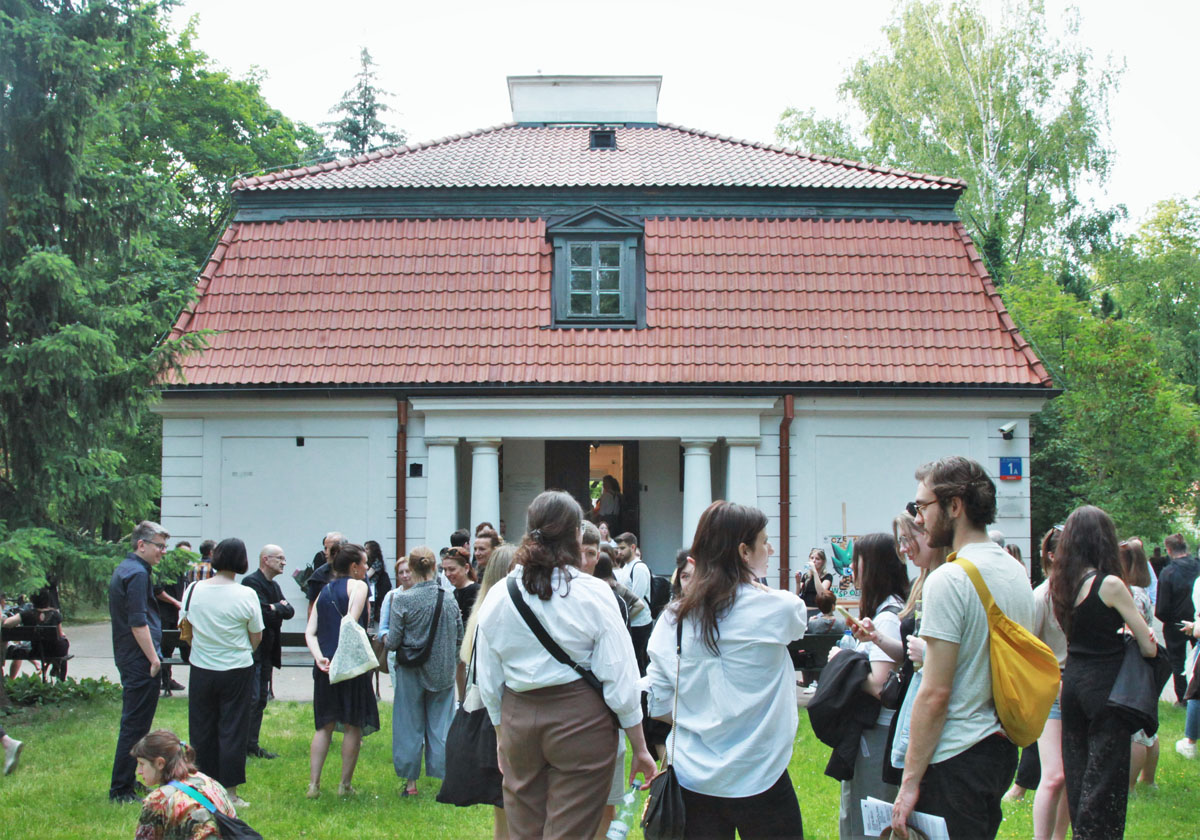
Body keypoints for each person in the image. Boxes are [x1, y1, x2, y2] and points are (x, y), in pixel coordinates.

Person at [476, 490, 656, 840]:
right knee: (570, 832)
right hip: (581, 723)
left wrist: (501, 733)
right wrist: (640, 746)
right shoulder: (593, 593)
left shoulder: (499, 594)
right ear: (576, 535)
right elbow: (619, 677)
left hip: (519, 720)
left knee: (523, 830)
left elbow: (488, 676)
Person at [890, 456, 1034, 840]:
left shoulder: (950, 579)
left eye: (923, 507)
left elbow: (935, 693)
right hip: (999, 750)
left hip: (954, 756)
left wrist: (908, 783)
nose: (918, 518)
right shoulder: (1014, 570)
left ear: (955, 506)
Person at [643, 500, 806, 839]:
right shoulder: (780, 609)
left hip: (692, 775)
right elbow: (795, 624)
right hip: (762, 772)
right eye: (764, 541)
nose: (771, 548)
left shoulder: (672, 621)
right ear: (744, 551)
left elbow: (658, 705)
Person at [1050, 506, 1156, 840]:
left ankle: (1081, 831)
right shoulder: (1108, 584)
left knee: (1079, 772)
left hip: (1073, 683)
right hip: (1106, 687)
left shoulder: (1060, 584)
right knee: (1106, 778)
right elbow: (1149, 646)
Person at [831, 533, 908, 840]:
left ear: (873, 566)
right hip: (875, 731)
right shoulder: (888, 610)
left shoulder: (888, 618)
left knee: (868, 817)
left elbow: (879, 685)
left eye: (856, 561)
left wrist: (841, 661)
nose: (851, 568)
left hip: (879, 733)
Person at [179, 538, 263, 807]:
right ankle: (230, 793)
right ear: (242, 561)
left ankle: (203, 788)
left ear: (215, 557)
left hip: (202, 668)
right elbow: (256, 636)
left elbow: (186, 627)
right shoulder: (246, 594)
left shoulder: (193, 589)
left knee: (201, 729)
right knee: (233, 729)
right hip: (237, 668)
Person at [386, 545, 464, 797]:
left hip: (411, 670)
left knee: (409, 724)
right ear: (433, 567)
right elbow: (460, 636)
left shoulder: (403, 599)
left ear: (413, 567)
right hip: (442, 670)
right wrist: (450, 660)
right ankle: (445, 782)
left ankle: (410, 785)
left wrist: (384, 638)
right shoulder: (448, 598)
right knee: (441, 726)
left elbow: (394, 641)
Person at [305, 542, 380, 798]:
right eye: (365, 563)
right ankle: (344, 785)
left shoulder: (324, 591)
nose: (368, 568)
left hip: (324, 666)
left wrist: (319, 658)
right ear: (354, 567)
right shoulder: (359, 585)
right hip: (350, 666)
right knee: (352, 725)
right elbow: (351, 621)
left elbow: (310, 631)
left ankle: (313, 785)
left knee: (323, 726)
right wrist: (341, 657)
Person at [458, 543, 517, 840]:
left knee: (503, 809)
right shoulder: (497, 612)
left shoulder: (481, 609)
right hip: (500, 715)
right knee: (512, 803)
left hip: (487, 716)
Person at [109, 521, 169, 803]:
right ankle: (120, 789)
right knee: (135, 725)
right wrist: (153, 658)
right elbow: (137, 622)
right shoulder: (137, 574)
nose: (163, 551)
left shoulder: (129, 568)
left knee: (136, 724)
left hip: (130, 656)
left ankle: (127, 782)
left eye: (164, 546)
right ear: (141, 545)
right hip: (138, 659)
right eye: (159, 546)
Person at [1031, 527, 1070, 840]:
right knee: (1055, 775)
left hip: (1080, 690)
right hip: (1053, 691)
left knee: (1070, 774)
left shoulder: (1085, 593)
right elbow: (1026, 651)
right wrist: (1051, 682)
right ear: (1052, 555)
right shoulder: (1041, 597)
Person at [240, 544, 295, 760]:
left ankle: (252, 745)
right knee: (252, 698)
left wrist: (276, 607)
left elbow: (289, 611)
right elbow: (261, 614)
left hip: (268, 652)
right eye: (280, 558)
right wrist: (276, 608)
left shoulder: (273, 586)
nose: (284, 562)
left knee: (261, 698)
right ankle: (241, 745)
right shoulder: (251, 583)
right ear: (265, 559)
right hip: (254, 651)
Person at [132, 729, 237, 840]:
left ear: (160, 763)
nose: (138, 771)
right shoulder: (208, 781)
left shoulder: (158, 799)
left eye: (141, 764)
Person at [1120, 538, 1159, 792]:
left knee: (1134, 730)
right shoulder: (1143, 592)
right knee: (1148, 726)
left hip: (1130, 663)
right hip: (1145, 663)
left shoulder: (1130, 594)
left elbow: (1128, 630)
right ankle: (1149, 779)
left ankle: (1130, 786)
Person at [1154, 533, 1197, 705]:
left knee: (1177, 662)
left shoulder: (1168, 572)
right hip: (1197, 620)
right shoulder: (1198, 566)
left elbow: (1162, 606)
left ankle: (1183, 698)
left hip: (1175, 623)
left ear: (1169, 550)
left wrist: (1166, 619)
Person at [614, 532, 653, 673]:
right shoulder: (626, 567)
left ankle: (642, 694)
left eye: (623, 548)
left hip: (640, 624)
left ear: (633, 547)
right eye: (618, 549)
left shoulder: (639, 568)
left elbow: (638, 601)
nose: (619, 552)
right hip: (631, 622)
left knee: (639, 663)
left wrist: (624, 619)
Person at [155, 542, 189, 695]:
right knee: (165, 649)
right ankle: (165, 680)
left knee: (184, 646)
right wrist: (175, 602)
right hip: (166, 615)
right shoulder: (166, 571)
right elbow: (158, 590)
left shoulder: (184, 573)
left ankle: (168, 680)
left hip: (179, 617)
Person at [305, 532, 346, 616]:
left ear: (340, 549)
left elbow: (366, 605)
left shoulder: (356, 571)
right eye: (325, 548)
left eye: (328, 548)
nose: (325, 552)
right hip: (326, 624)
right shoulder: (319, 574)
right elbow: (311, 607)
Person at [443, 547, 480, 625]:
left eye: (452, 569)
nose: (447, 574)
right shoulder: (454, 593)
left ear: (466, 568)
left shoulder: (476, 591)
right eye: (445, 570)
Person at [364, 540, 393, 631]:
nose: (365, 551)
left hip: (373, 590)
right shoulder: (367, 562)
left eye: (367, 549)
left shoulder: (377, 562)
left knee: (371, 613)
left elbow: (368, 575)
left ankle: (370, 632)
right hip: (368, 588)